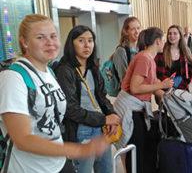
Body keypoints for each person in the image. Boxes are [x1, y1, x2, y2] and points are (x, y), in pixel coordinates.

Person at [0, 14, 110, 173]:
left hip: (58, 164)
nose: (50, 42)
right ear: (25, 42)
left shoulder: (50, 72)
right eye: (40, 37)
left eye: (53, 36)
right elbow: (22, 139)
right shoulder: (13, 77)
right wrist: (80, 150)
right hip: (30, 168)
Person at [54, 25, 120, 173]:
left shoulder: (93, 68)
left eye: (90, 41)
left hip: (102, 128)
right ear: (72, 44)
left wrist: (112, 115)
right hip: (81, 130)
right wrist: (104, 119)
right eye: (81, 40)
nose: (87, 45)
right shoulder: (64, 70)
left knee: (106, 170)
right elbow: (70, 108)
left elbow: (102, 98)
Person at [113, 27, 174, 173]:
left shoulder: (148, 59)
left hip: (138, 108)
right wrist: (162, 85)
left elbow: (151, 87)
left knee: (144, 147)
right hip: (131, 108)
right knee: (137, 149)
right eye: (163, 39)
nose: (164, 43)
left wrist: (170, 96)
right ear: (158, 41)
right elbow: (135, 88)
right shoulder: (144, 58)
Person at [155, 25, 192, 90]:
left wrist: (180, 87)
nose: (172, 36)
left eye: (175, 33)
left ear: (180, 36)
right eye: (170, 33)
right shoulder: (162, 51)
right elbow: (159, 74)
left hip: (182, 89)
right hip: (165, 90)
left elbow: (190, 72)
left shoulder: (185, 51)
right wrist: (170, 86)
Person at [113, 16, 141, 82]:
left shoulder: (142, 48)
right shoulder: (121, 51)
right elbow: (124, 79)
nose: (137, 32)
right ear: (126, 31)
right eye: (133, 29)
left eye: (138, 28)